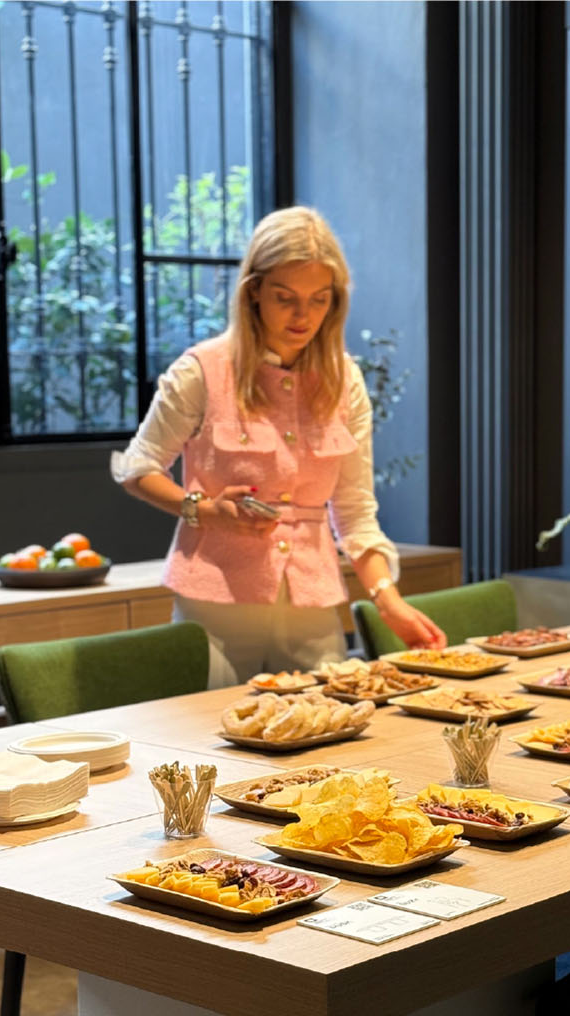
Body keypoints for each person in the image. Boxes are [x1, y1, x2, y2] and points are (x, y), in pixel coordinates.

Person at [111, 206, 446, 685]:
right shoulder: (201, 371)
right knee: (212, 729)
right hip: (215, 606)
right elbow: (136, 468)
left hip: (312, 607)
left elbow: (354, 509)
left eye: (319, 300)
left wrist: (387, 600)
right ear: (254, 291)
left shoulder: (345, 380)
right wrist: (204, 510)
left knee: (331, 724)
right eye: (285, 298)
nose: (303, 316)